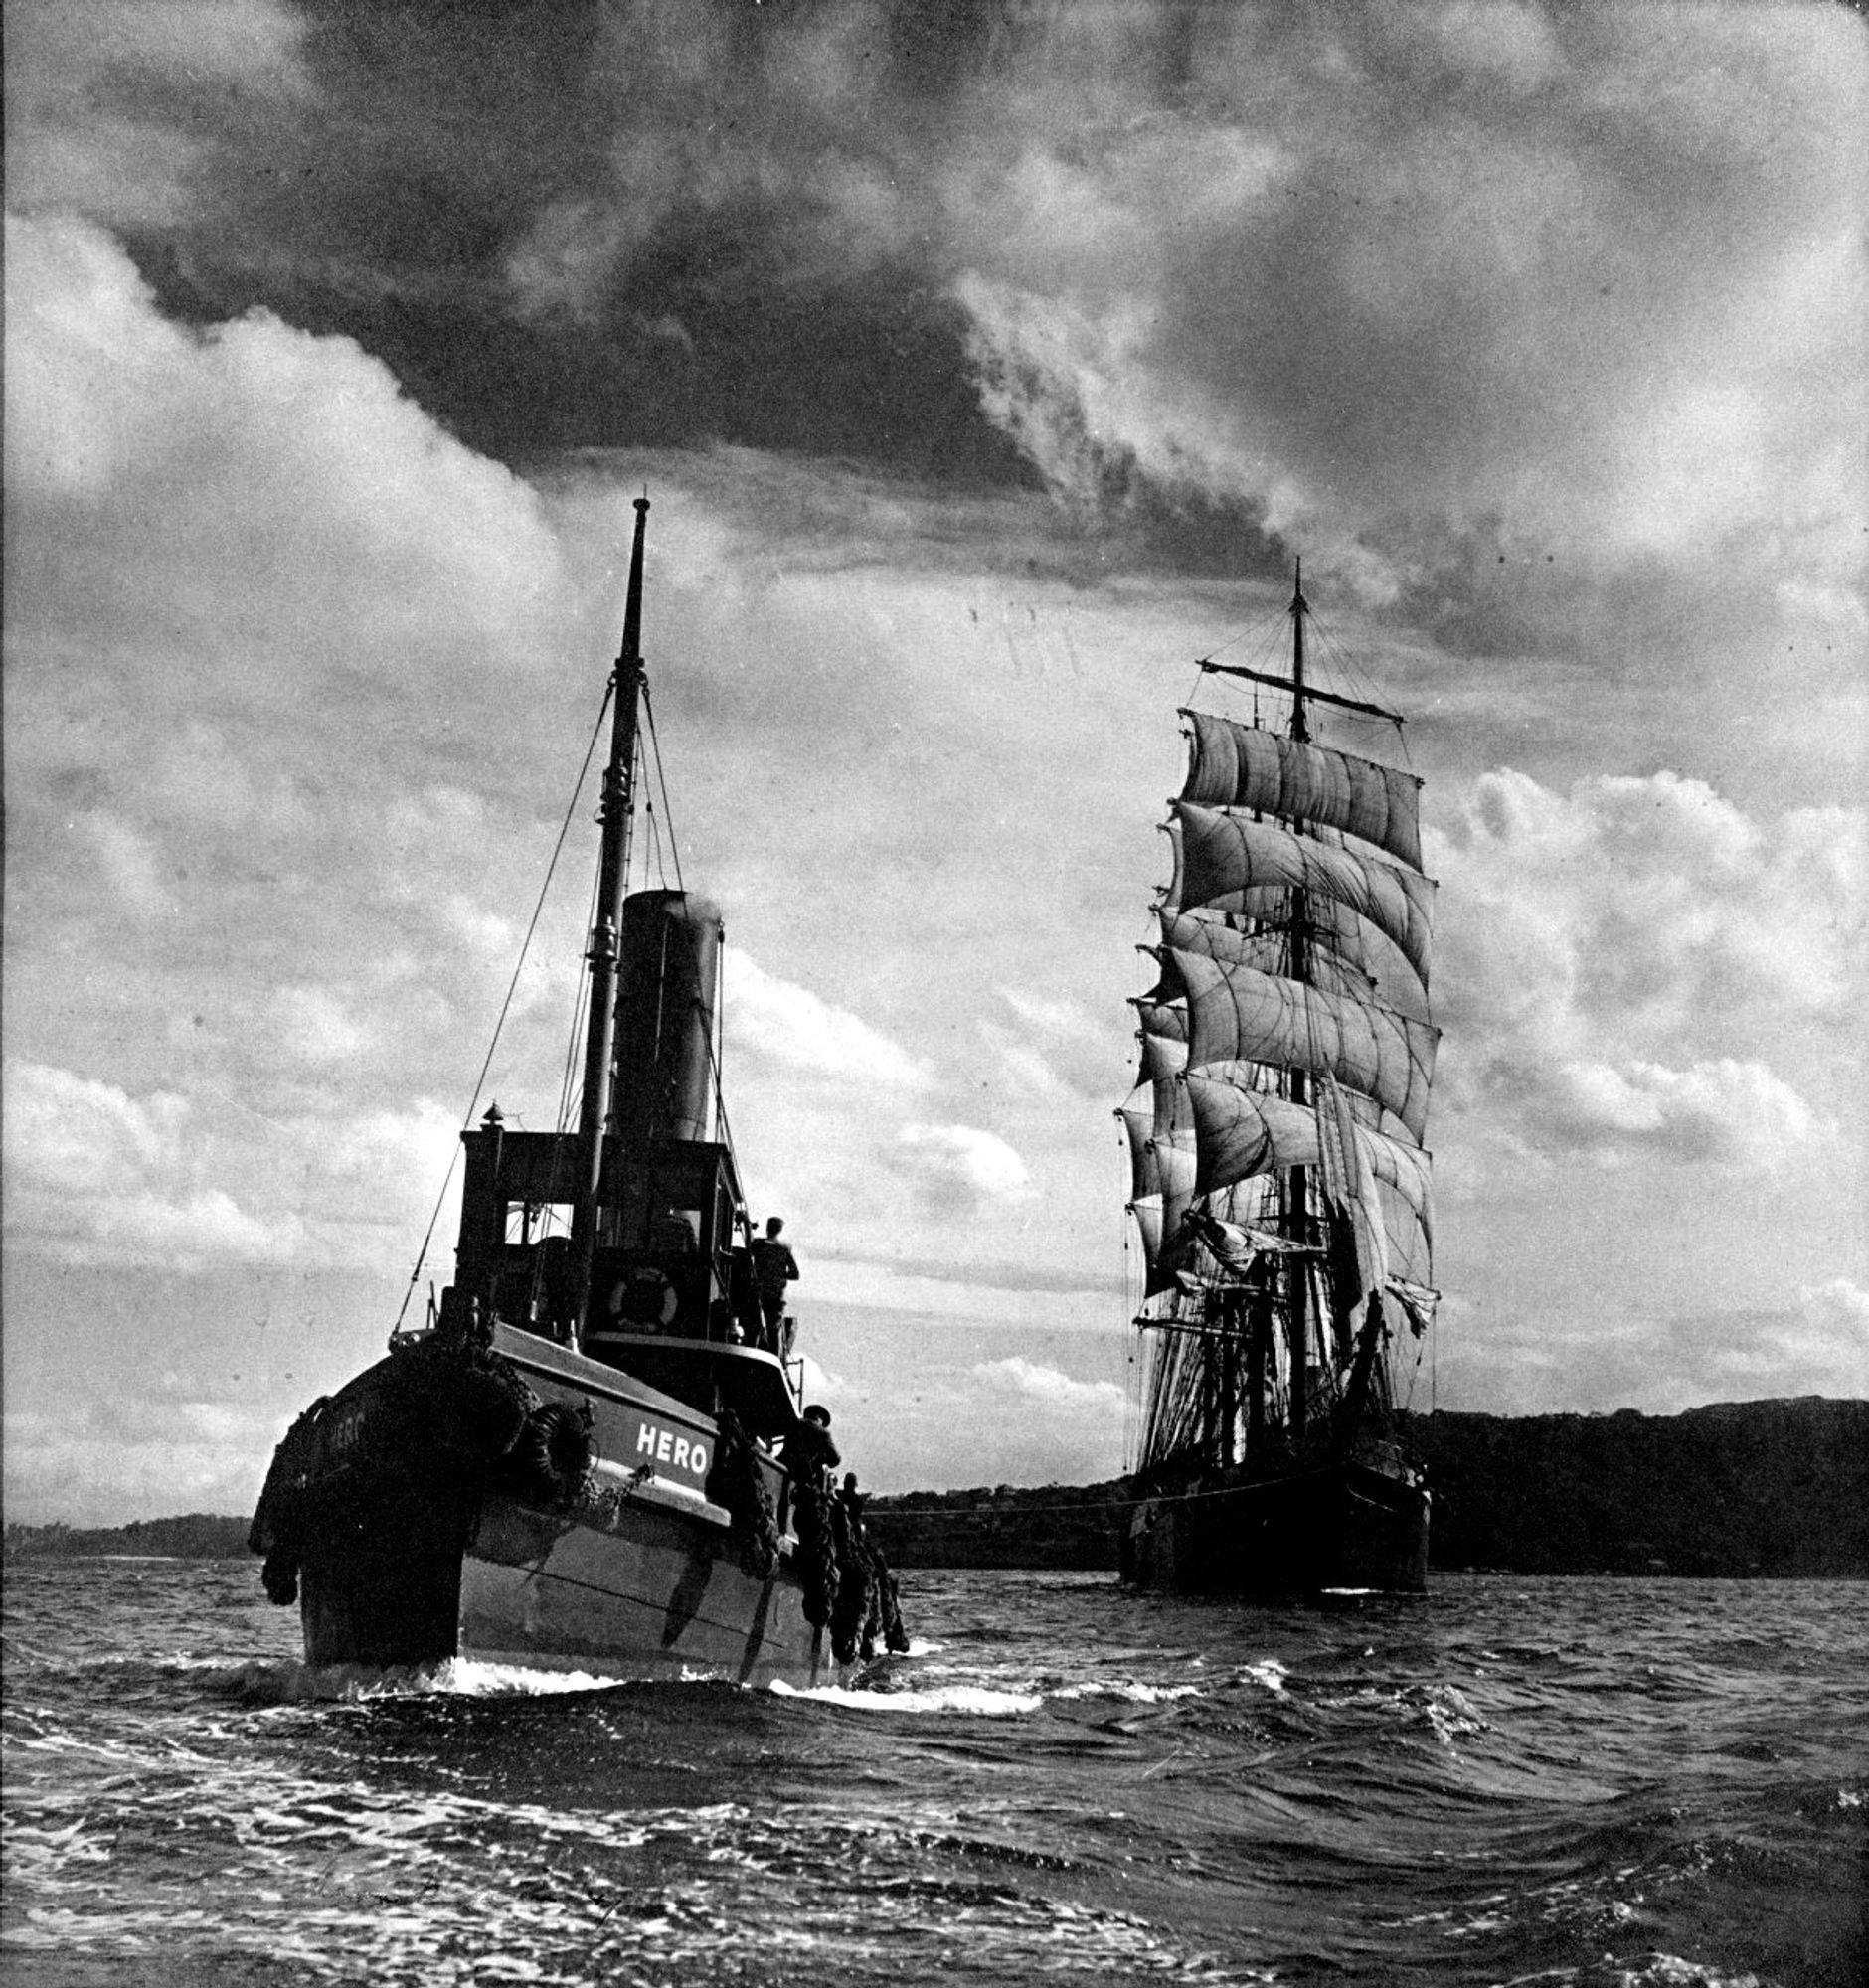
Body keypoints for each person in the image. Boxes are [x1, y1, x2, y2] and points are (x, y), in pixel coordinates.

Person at [748, 1216, 799, 1349]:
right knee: (773, 1331)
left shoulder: (758, 1245)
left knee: (754, 1327)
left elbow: (749, 1245)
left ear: (767, 1228)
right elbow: (795, 1274)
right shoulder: (784, 1249)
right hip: (776, 1296)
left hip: (759, 1293)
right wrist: (779, 1274)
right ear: (780, 1230)